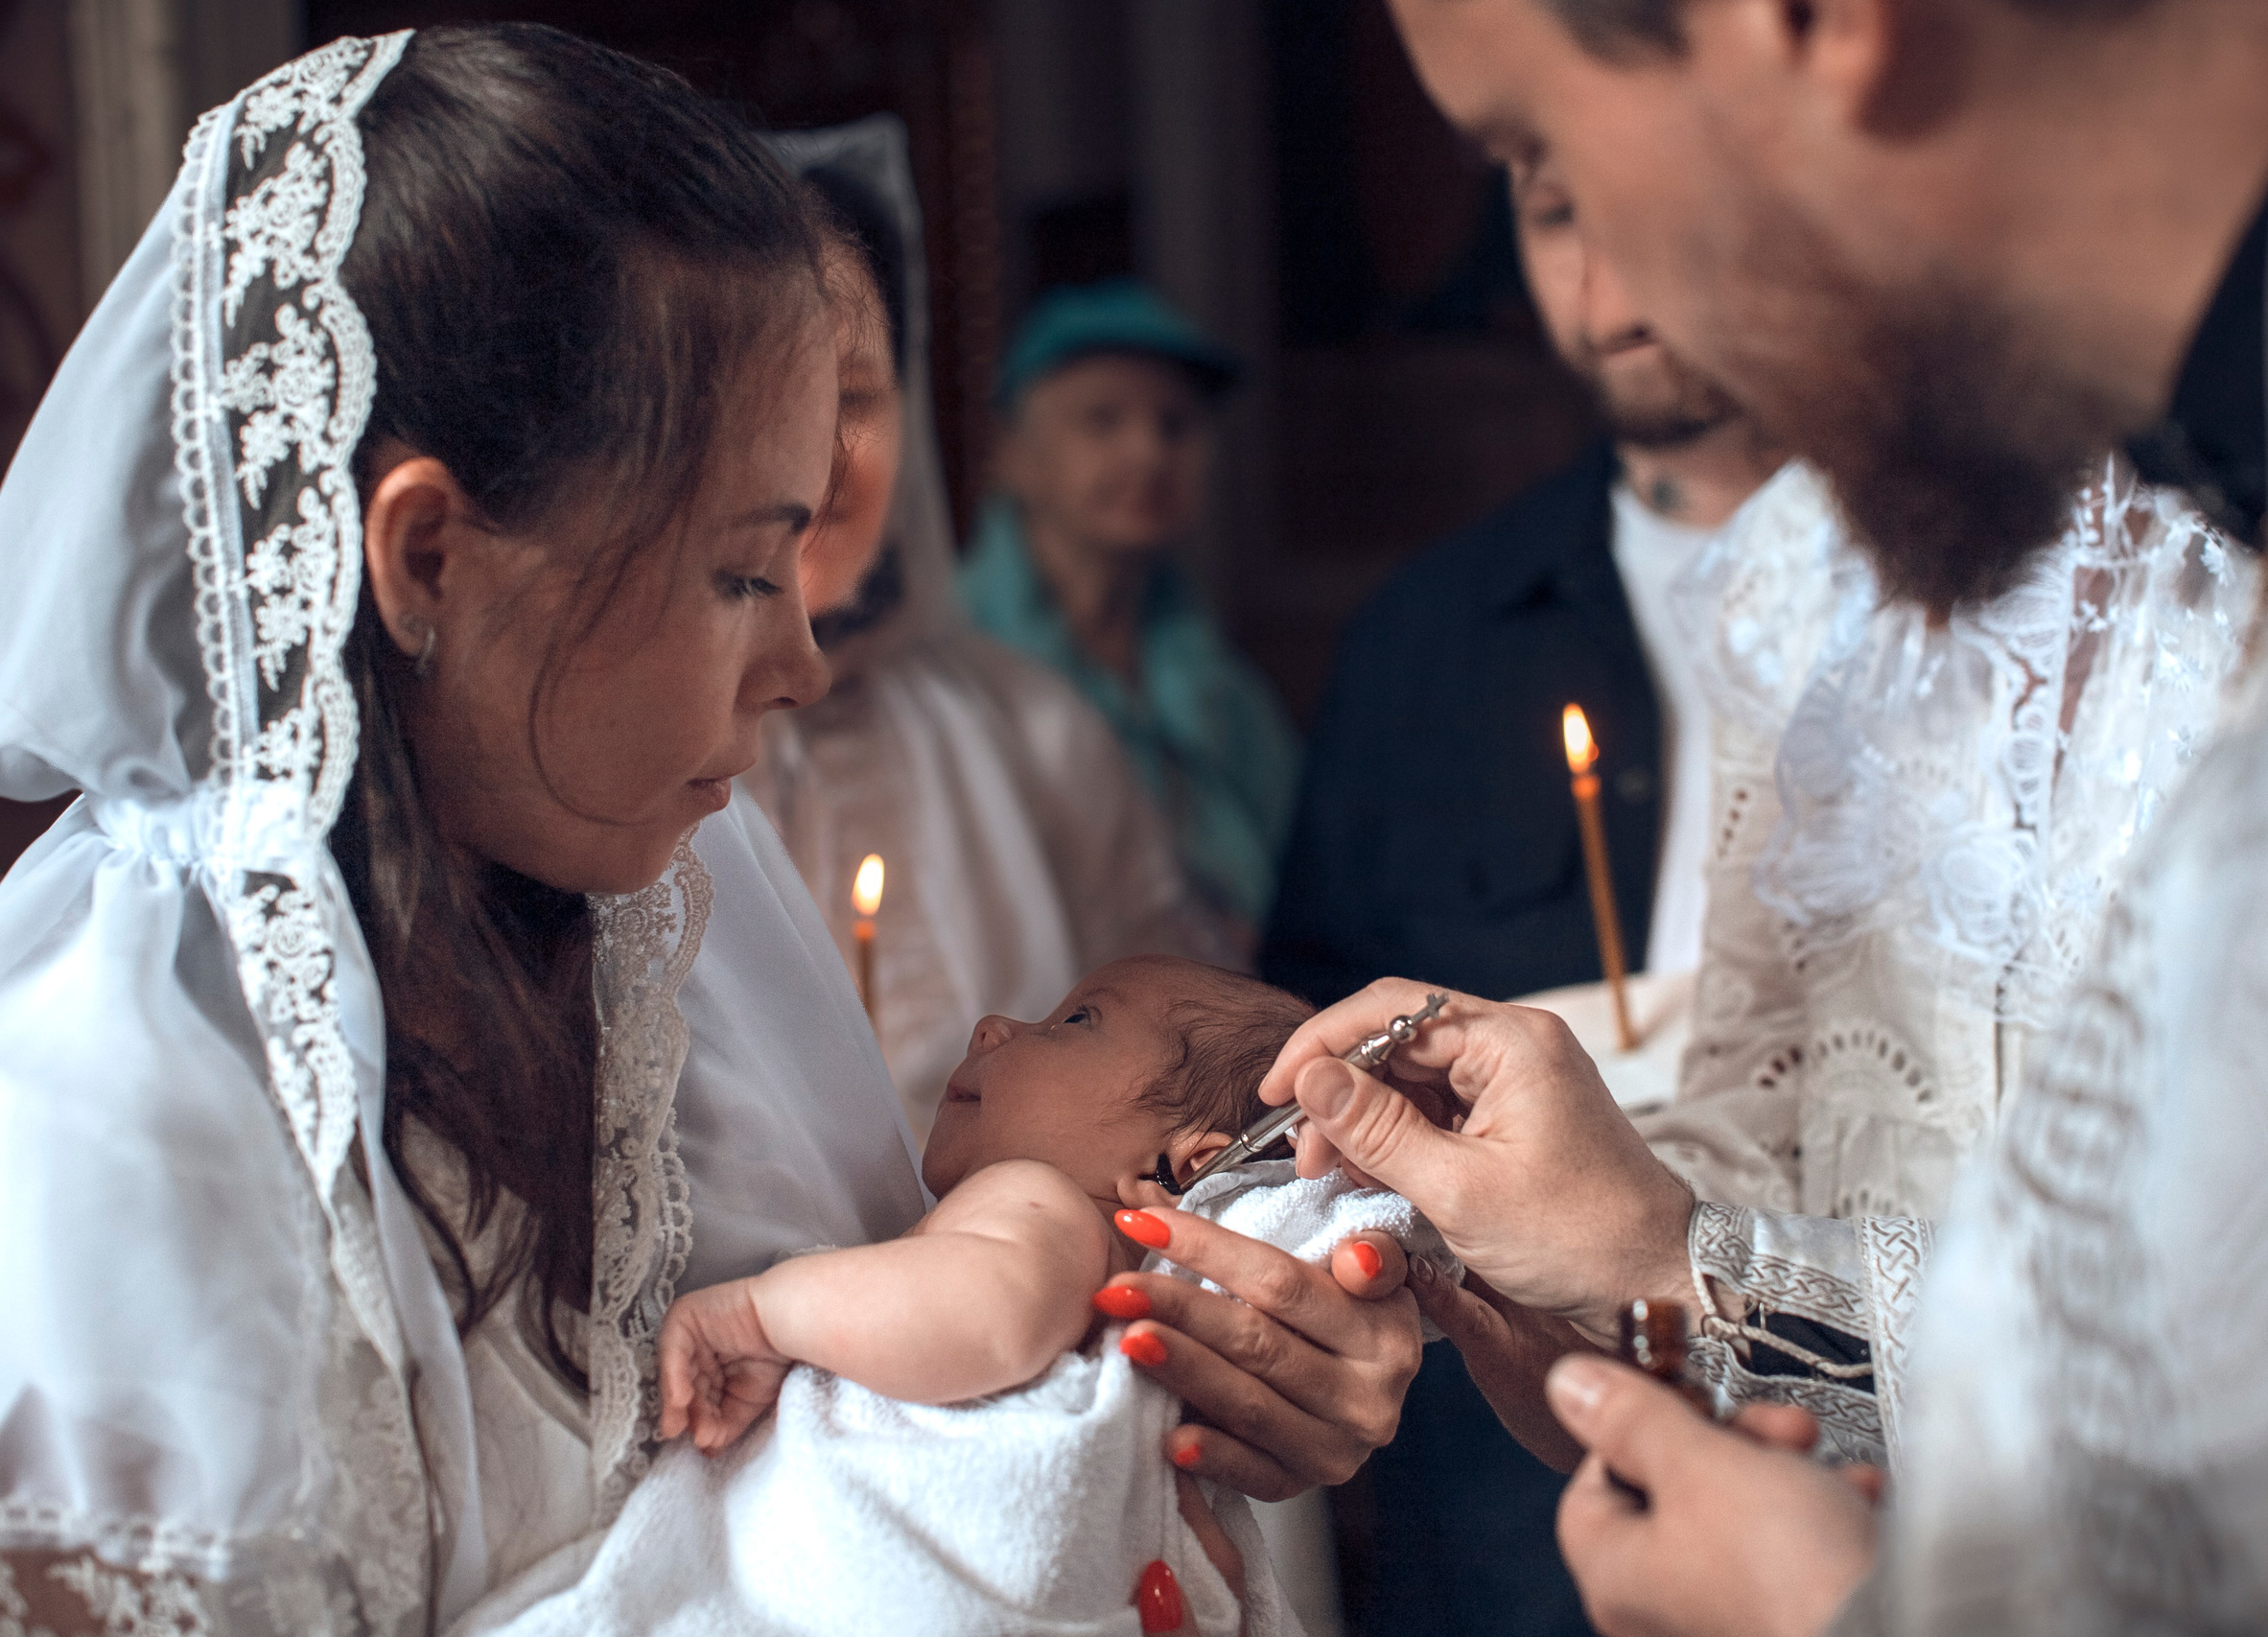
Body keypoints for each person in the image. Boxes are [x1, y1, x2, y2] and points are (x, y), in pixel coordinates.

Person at [0, 30, 1418, 1632]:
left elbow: (947, 1427)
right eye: (745, 571)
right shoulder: (102, 1111)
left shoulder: (676, 915)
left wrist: (1233, 1350)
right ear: (429, 558)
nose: (804, 662)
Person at [1266, 0, 2268, 1633]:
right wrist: (1667, 1271)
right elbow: (2171, 1365)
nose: (1614, 296)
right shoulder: (1886, 569)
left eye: (1544, 152)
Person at [1261, 157, 1788, 1635]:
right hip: (1511, 1492)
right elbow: (1301, 1022)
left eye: (1652, 206)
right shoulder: (1425, 639)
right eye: (1559, 216)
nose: (1607, 286)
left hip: (1884, 1426)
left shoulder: (1957, 614)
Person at [482, 957, 1439, 1637]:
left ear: (1178, 1162)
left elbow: (991, 1312)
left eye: (1075, 1023)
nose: (994, 1027)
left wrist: (763, 1312)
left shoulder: (1046, 1206)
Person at [744, 121, 1224, 1140]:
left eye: (855, 401)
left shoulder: (1033, 730)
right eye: (768, 405)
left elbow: (1178, 1070)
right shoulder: (645, 771)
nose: (819, 460)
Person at [962, 281, 1299, 954]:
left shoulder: (1219, 679)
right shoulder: (950, 662)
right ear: (1011, 456)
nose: (1148, 453)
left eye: (1175, 425)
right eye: (1102, 420)